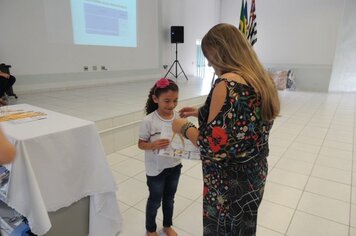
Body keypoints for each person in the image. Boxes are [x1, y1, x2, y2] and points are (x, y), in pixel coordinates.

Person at [172, 23, 280, 236]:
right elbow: (241, 119)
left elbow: (213, 145)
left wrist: (184, 128)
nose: (211, 65)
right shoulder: (262, 79)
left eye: (211, 60)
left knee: (222, 228)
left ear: (220, 51)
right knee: (244, 227)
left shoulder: (226, 83)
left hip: (227, 181)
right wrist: (200, 111)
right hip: (254, 174)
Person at [138, 78, 182, 236]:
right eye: (167, 101)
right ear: (156, 99)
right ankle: (150, 228)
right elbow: (141, 144)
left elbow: (183, 138)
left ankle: (167, 225)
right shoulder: (148, 121)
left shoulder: (177, 117)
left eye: (175, 100)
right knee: (155, 201)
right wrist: (153, 145)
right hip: (156, 170)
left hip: (175, 166)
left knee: (170, 199)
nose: (171, 105)